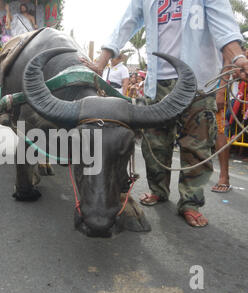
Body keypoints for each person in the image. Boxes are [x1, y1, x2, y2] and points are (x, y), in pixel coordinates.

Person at [81, 0, 248, 228]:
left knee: (197, 145)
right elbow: (126, 23)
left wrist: (239, 58)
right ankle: (158, 190)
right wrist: (101, 61)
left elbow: (225, 28)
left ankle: (190, 203)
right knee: (155, 142)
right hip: (157, 83)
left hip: (198, 81)